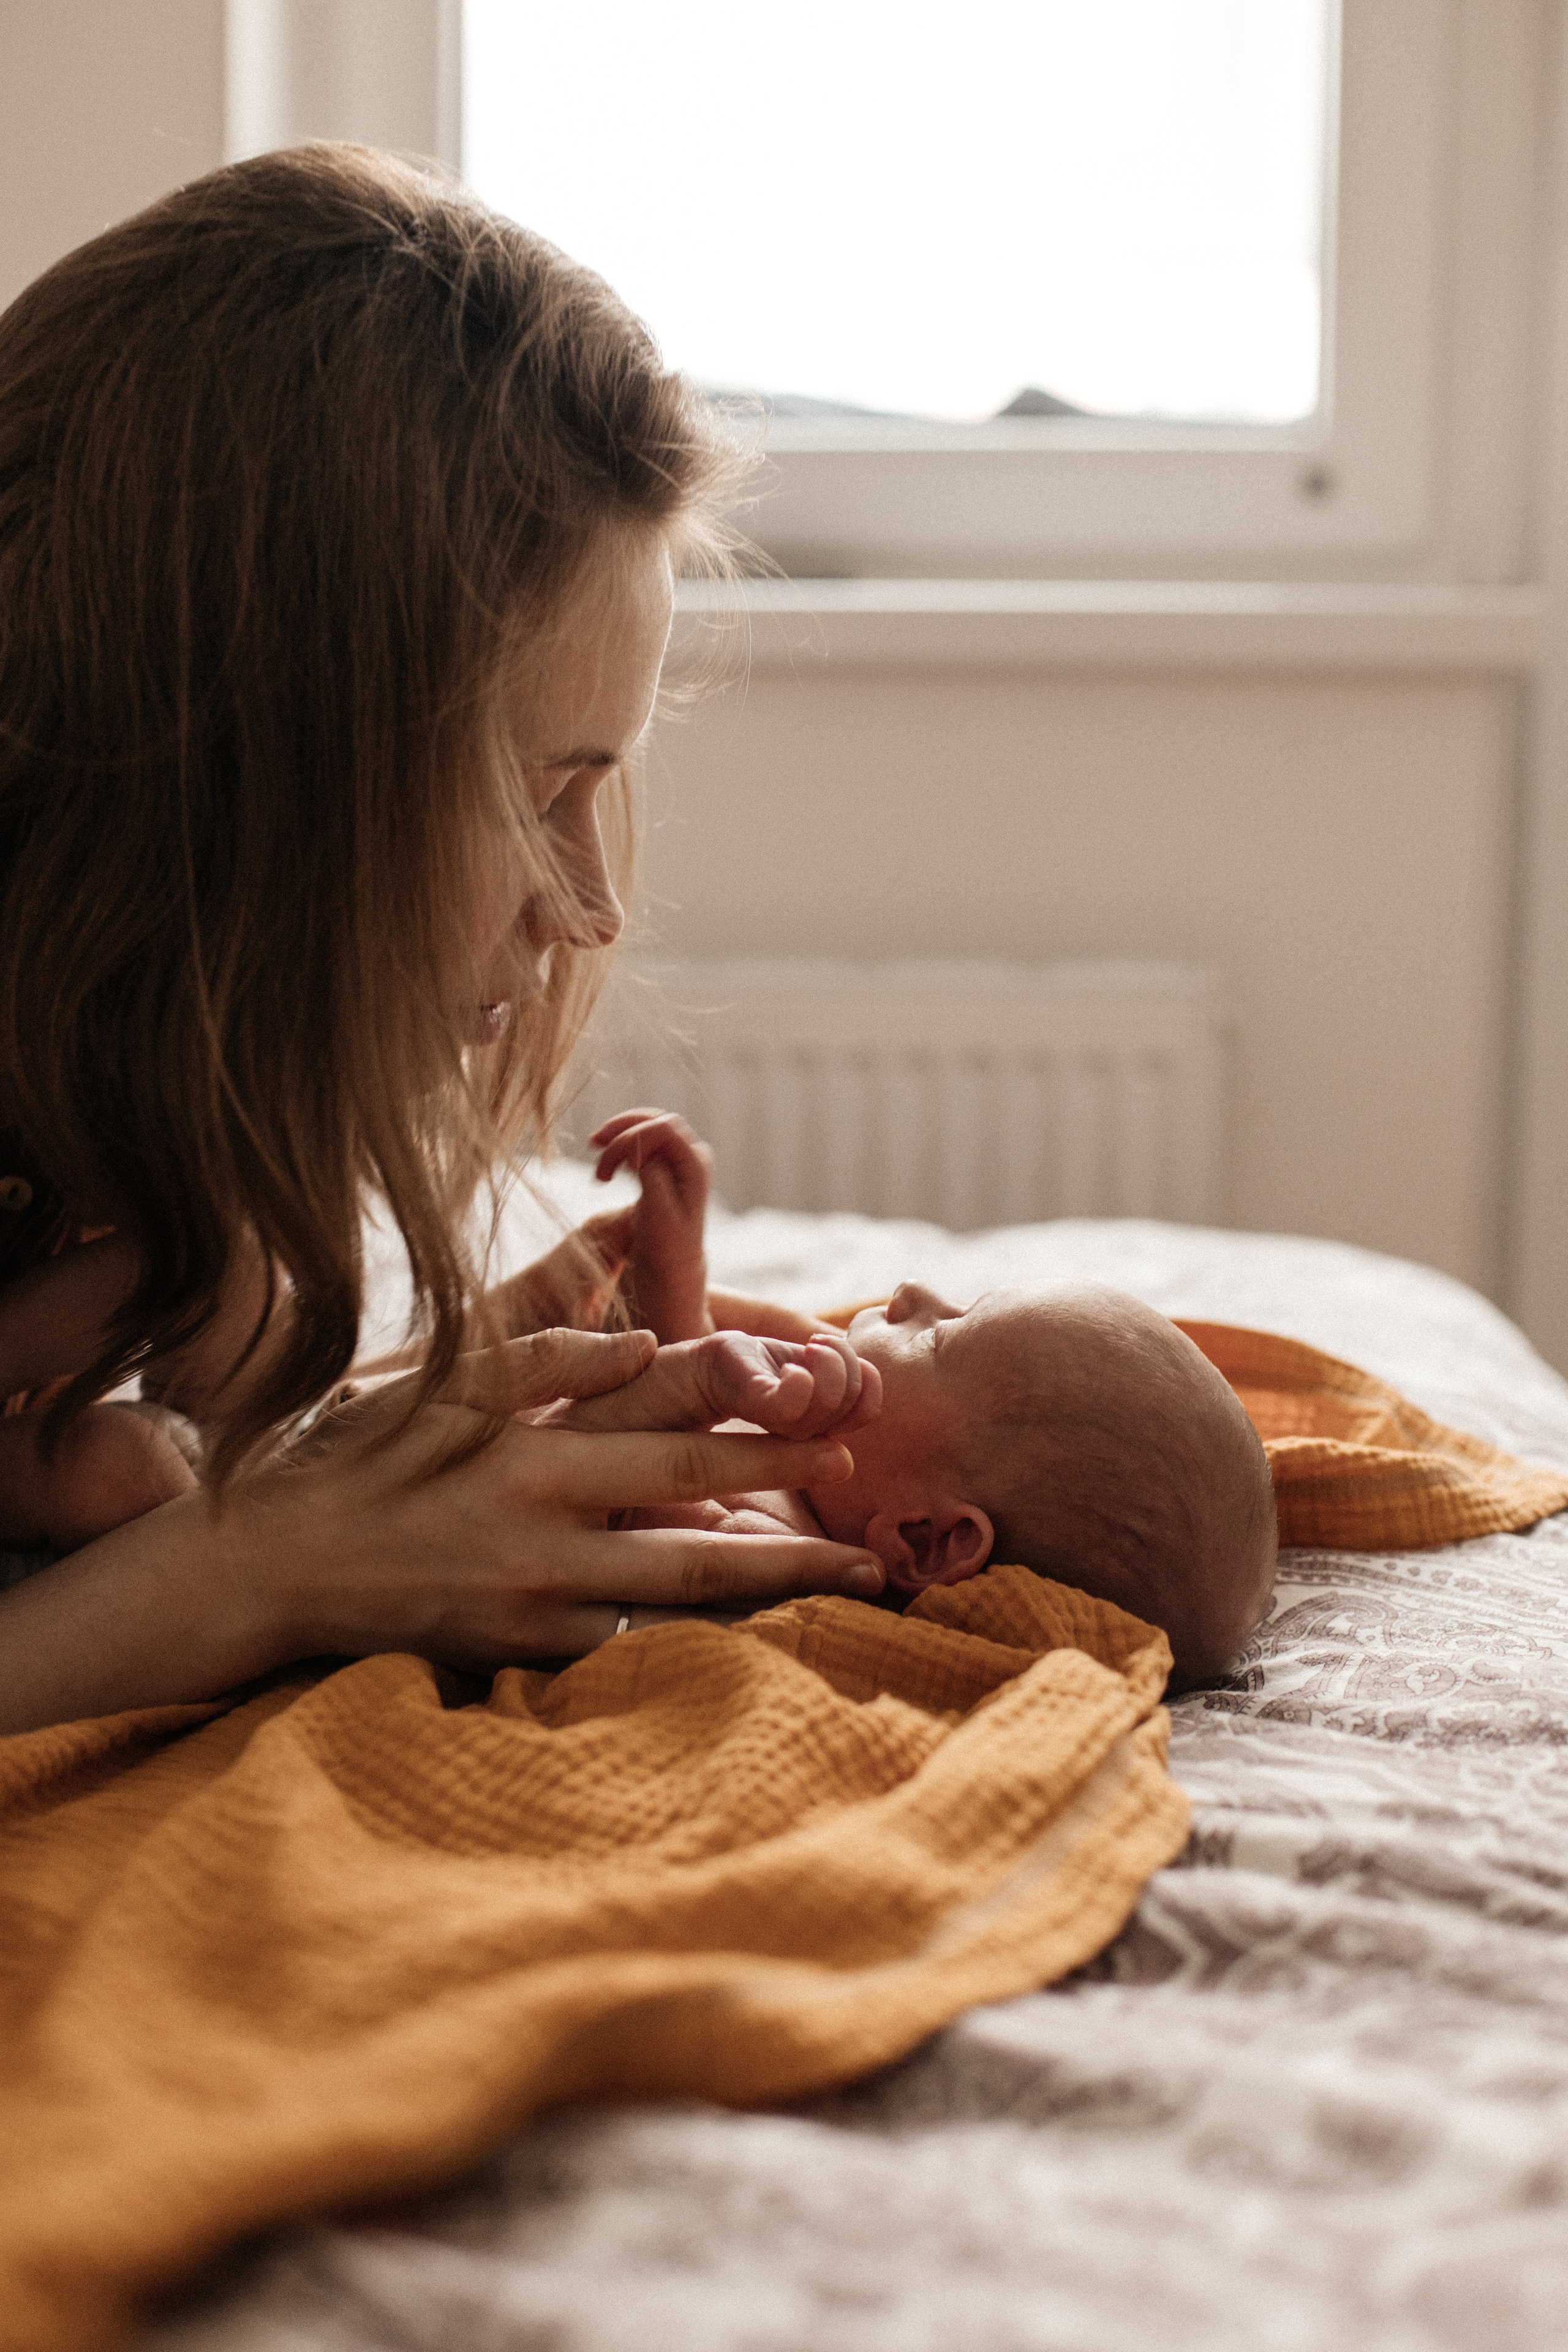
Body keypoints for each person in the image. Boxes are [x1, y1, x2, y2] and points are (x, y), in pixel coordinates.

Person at [0, 145, 888, 1738]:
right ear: (254, 767)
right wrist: (253, 1571)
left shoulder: (133, 1106)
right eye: (532, 792)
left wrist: (386, 1442)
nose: (592, 907)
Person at [542, 1109, 1280, 1687]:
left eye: (942, 1340)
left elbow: (641, 1482)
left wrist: (709, 1379)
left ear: (927, 1540)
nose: (912, 1293)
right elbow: (673, 1383)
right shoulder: (802, 1478)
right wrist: (673, 1269)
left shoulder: (786, 1573)